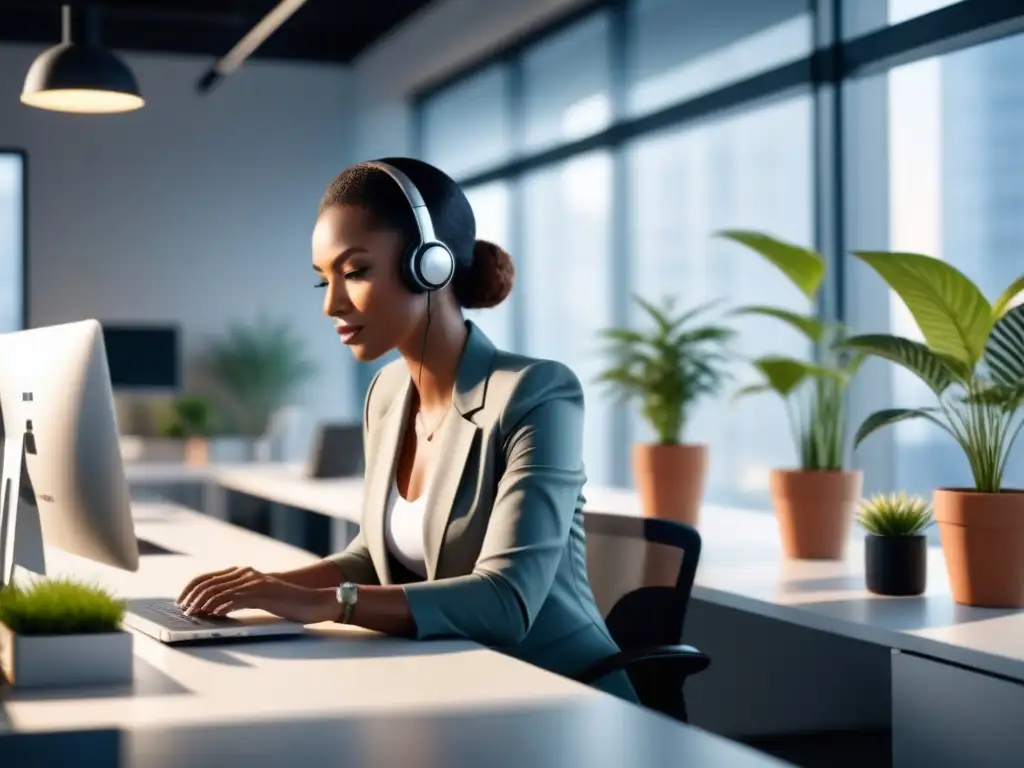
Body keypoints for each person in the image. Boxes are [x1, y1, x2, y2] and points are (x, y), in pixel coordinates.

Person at [177, 157, 638, 703]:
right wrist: (268, 589)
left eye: (355, 272)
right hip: (450, 681)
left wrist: (332, 603)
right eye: (324, 280)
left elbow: (506, 602)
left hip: (558, 694)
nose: (332, 304)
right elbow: (374, 558)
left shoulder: (537, 393)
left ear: (430, 267)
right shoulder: (388, 393)